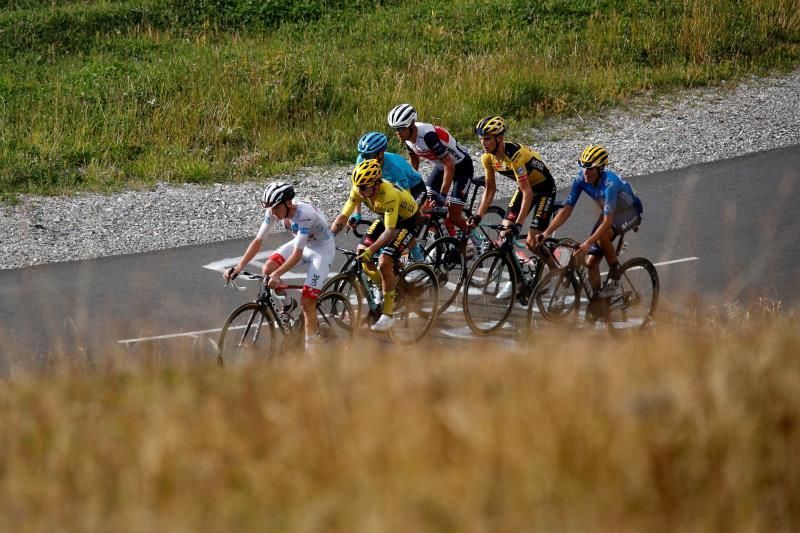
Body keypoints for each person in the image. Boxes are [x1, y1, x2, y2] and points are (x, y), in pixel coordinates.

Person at [224, 182, 335, 350]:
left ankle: (311, 355)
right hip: (302, 244)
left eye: (276, 209)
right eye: (271, 209)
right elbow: (258, 240)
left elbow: (297, 254)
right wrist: (238, 267)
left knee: (307, 302)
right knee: (267, 269)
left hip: (321, 250)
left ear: (288, 204)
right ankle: (288, 304)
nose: (273, 214)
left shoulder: (305, 215)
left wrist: (278, 274)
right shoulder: (273, 210)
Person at [330, 159, 425, 332]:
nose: (359, 191)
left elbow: (390, 231)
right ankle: (384, 285)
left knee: (384, 261)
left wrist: (372, 250)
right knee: (361, 253)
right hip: (387, 218)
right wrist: (328, 238)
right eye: (357, 186)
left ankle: (388, 315)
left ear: (376, 184)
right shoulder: (360, 188)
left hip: (408, 221)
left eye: (364, 187)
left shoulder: (388, 195)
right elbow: (343, 217)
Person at [536, 145, 643, 298]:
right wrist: (546, 233)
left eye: (590, 169)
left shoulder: (610, 184)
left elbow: (607, 222)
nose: (586, 172)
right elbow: (567, 210)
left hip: (630, 212)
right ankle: (599, 300)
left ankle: (616, 276)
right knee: (590, 262)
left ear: (600, 168)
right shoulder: (581, 179)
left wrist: (587, 243)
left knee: (602, 236)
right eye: (583, 167)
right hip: (611, 211)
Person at [470, 115, 558, 299]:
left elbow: (528, 193)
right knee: (503, 238)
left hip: (543, 190)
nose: (483, 143)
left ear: (499, 138)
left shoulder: (515, 156)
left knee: (532, 243)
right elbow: (490, 190)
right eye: (481, 139)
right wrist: (478, 215)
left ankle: (555, 270)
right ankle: (517, 281)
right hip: (525, 189)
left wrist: (518, 224)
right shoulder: (487, 158)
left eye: (487, 138)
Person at [387, 103, 473, 236]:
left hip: (461, 167)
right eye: (395, 129)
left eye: (400, 129)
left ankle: (476, 241)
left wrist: (443, 195)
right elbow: (414, 160)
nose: (397, 133)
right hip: (441, 167)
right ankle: (448, 238)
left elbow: (449, 164)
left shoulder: (428, 135)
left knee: (454, 215)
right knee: (423, 206)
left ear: (411, 125)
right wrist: (410, 185)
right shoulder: (407, 137)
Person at [350, 132, 427, 232]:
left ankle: (416, 243)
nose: (366, 160)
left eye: (370, 156)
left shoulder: (394, 166)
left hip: (414, 187)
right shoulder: (361, 160)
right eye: (363, 155)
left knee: (406, 221)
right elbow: (358, 187)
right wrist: (357, 214)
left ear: (381, 153)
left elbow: (405, 197)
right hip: (393, 189)